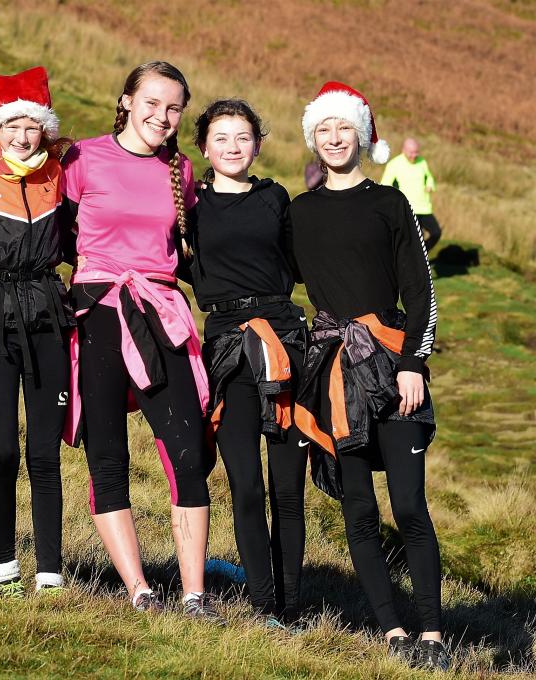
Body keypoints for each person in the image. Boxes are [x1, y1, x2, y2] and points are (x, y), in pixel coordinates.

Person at [290, 81, 449, 671]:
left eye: (345, 128)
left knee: (408, 505)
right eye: (324, 130)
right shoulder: (297, 212)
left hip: (390, 363)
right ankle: (391, 632)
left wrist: (414, 365)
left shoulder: (389, 203)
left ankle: (432, 634)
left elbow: (421, 289)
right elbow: (263, 269)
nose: (334, 138)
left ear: (362, 135)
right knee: (358, 509)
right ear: (314, 138)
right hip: (331, 371)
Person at [60, 61, 222, 622]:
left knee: (187, 453)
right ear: (126, 100)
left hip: (160, 310)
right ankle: (138, 590)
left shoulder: (182, 170)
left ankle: (194, 595)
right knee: (108, 455)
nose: (163, 116)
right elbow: (43, 229)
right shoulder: (81, 158)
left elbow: (202, 245)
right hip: (99, 310)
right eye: (151, 102)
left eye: (174, 107)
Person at [182, 99, 308, 627]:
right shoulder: (188, 204)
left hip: (283, 340)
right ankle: (262, 602)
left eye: (243, 137)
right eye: (221, 138)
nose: (233, 147)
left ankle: (292, 603)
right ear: (204, 147)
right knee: (245, 481)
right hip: (227, 346)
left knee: (287, 484)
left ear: (258, 144)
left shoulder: (277, 197)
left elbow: (300, 264)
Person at [0, 67, 75, 595]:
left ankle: (49, 571)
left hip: (47, 315)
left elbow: (79, 237)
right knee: (1, 449)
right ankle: (3, 566)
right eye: (13, 126)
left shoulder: (59, 174)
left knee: (45, 452)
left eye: (33, 127)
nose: (24, 137)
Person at [381, 138, 442, 252]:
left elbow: (429, 177)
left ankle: (421, 254)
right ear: (403, 150)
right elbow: (385, 186)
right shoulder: (394, 164)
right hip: (408, 209)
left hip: (424, 208)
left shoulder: (422, 162)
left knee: (436, 233)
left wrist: (429, 185)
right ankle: (415, 260)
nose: (414, 155)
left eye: (416, 152)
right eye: (411, 152)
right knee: (416, 239)